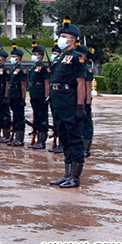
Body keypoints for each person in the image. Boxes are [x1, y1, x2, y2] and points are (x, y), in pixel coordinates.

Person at [48, 19, 87, 189]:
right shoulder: (60, 58)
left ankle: (75, 177)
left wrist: (80, 106)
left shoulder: (77, 58)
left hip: (71, 103)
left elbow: (80, 83)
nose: (60, 39)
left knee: (74, 139)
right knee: (64, 138)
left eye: (64, 36)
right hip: (58, 102)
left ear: (73, 39)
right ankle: (67, 173)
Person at [27, 44, 51, 149]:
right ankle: (37, 139)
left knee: (42, 117)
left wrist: (47, 96)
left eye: (35, 54)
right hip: (34, 94)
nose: (33, 56)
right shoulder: (34, 67)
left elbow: (47, 82)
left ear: (41, 56)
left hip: (41, 95)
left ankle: (42, 141)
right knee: (36, 117)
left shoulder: (44, 67)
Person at [7, 47, 27, 146]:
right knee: (15, 116)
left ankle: (20, 138)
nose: (12, 58)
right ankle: (15, 137)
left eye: (14, 56)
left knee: (19, 117)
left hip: (18, 95)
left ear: (19, 58)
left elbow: (23, 85)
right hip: (13, 95)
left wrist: (23, 98)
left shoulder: (21, 70)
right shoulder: (14, 69)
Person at [47, 46, 64, 153]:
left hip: (62, 96)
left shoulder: (62, 63)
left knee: (62, 121)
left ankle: (63, 144)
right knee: (56, 121)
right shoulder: (55, 65)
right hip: (54, 95)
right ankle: (58, 143)